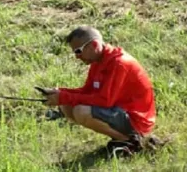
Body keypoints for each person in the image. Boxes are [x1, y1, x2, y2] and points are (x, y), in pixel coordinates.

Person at [39, 27, 156, 157]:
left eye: (78, 51)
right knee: (67, 105)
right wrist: (60, 93)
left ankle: (131, 141)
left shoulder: (119, 63)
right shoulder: (98, 61)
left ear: (94, 45)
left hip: (136, 120)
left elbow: (105, 101)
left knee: (81, 111)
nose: (77, 57)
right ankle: (121, 139)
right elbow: (87, 91)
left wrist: (63, 96)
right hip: (119, 111)